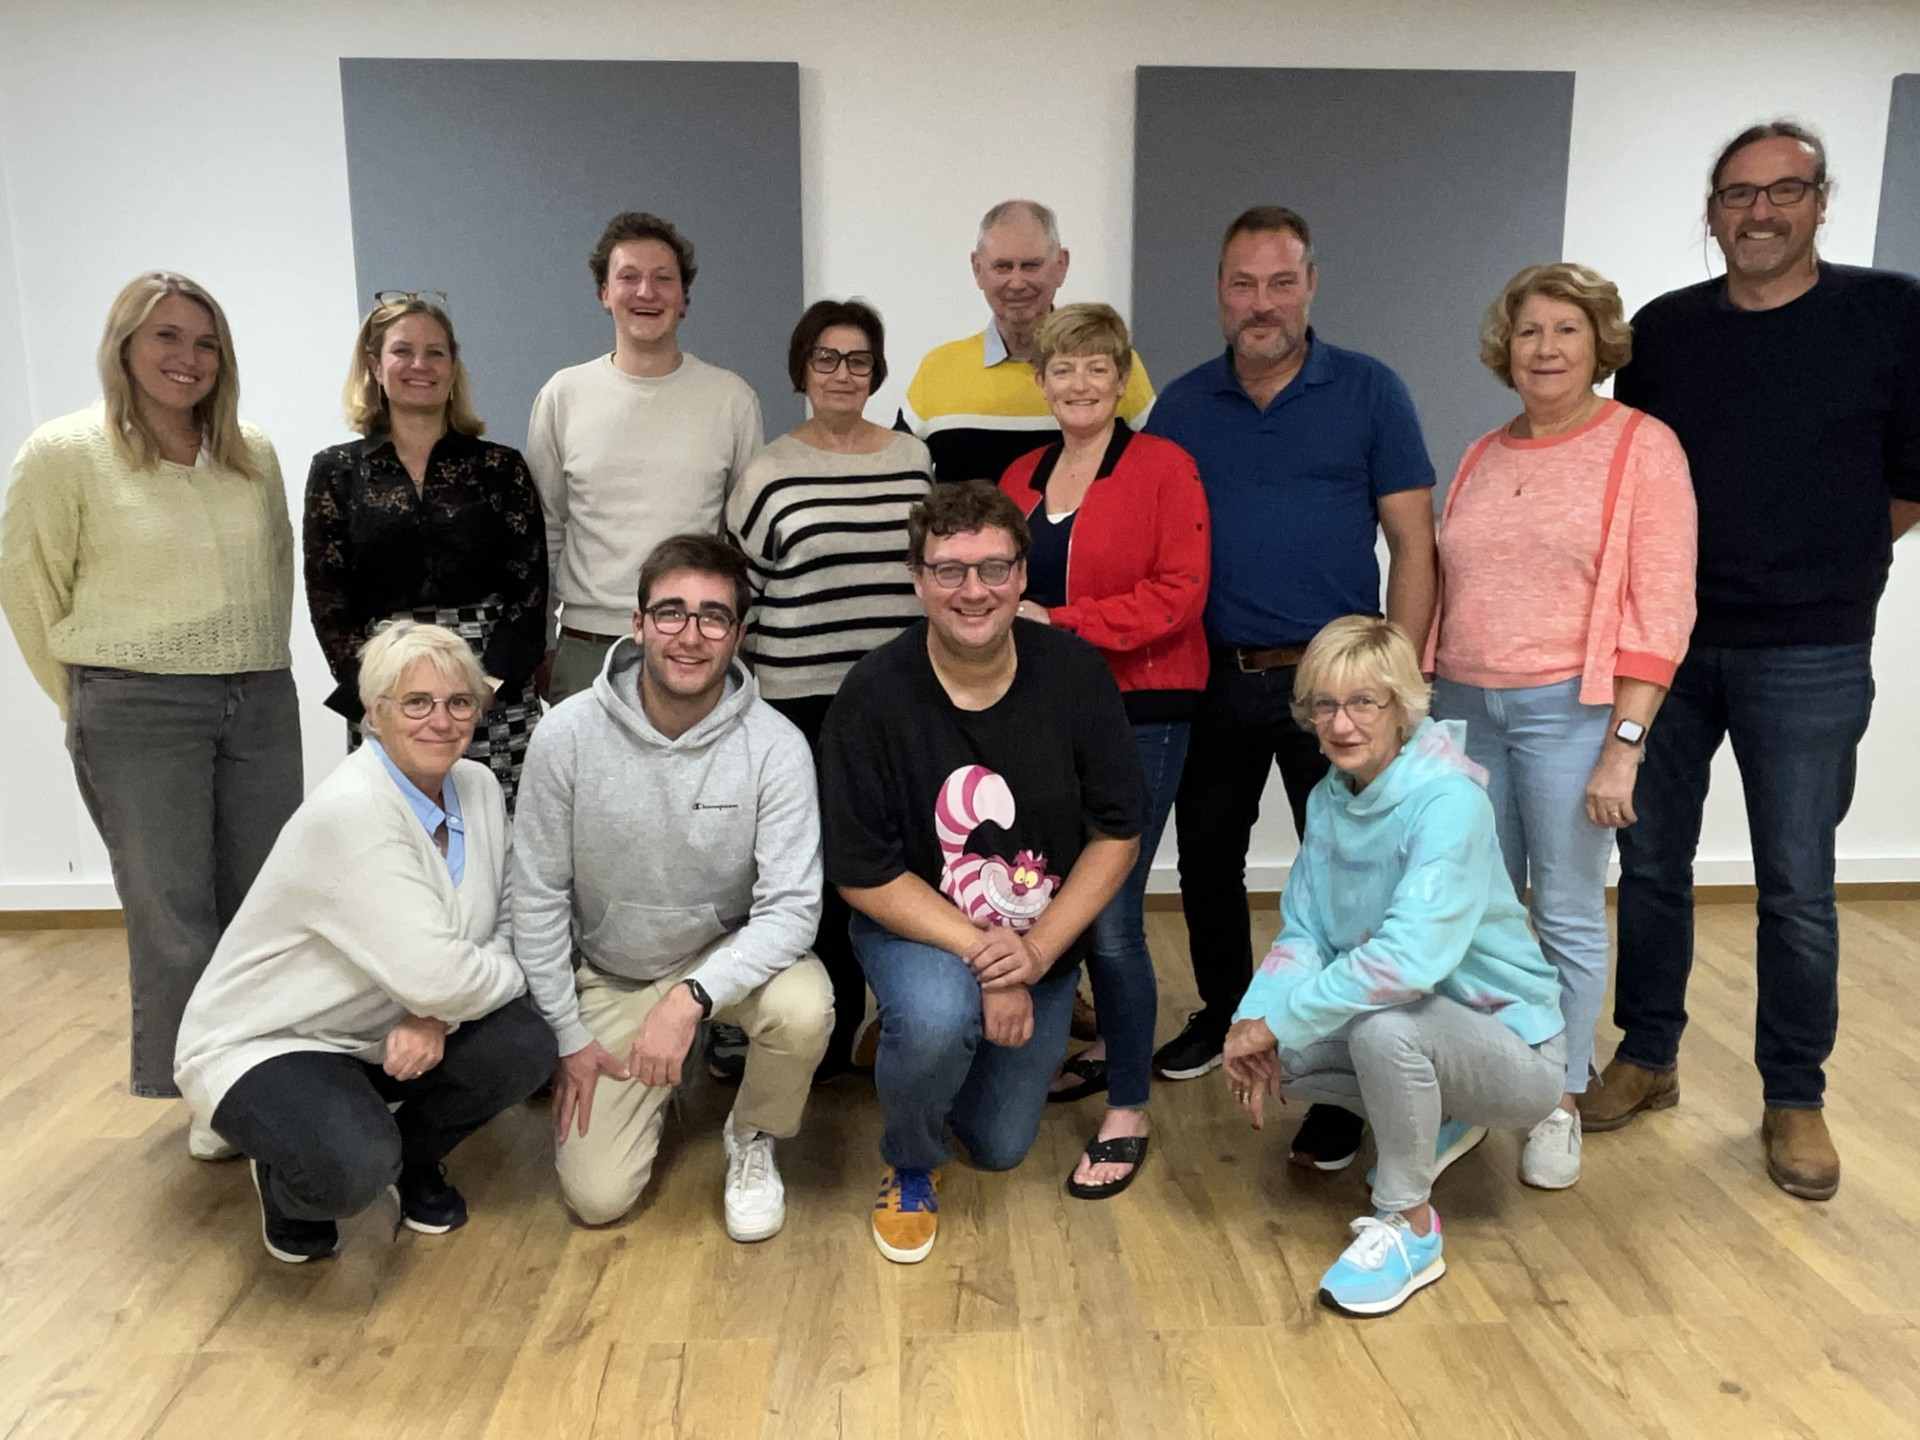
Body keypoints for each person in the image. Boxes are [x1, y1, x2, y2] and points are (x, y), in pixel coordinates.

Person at [1588, 120, 1920, 1202]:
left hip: (1813, 646)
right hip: (1671, 647)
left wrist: (1830, 559)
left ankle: (1794, 1094)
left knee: (1796, 886)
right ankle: (1648, 1054)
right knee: (1650, 866)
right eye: (1739, 193)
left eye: (1784, 191)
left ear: (1821, 202)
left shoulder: (1890, 313)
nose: (1761, 211)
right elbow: (1636, 481)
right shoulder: (1665, 333)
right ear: (1713, 210)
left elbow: (1910, 479)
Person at [1145, 207, 1438, 1180]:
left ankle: (1340, 1082)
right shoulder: (1182, 405)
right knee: (1207, 862)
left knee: (1351, 881)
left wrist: (1399, 679)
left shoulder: (1370, 391)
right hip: (1217, 676)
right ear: (1220, 293)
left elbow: (1414, 544)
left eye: (1280, 282)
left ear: (1311, 284)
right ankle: (1228, 1015)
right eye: (1243, 284)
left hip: (1339, 688)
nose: (1261, 303)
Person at [1, 271, 302, 1141]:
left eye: (206, 342)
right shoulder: (64, 452)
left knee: (263, 902)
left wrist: (258, 667)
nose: (187, 358)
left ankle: (260, 1070)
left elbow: (277, 569)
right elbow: (28, 587)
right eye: (166, 336)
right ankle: (205, 1093)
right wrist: (88, 702)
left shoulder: (251, 453)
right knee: (173, 915)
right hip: (135, 709)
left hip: (257, 697)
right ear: (124, 345)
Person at [819, 482, 1144, 1262]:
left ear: (1022, 575)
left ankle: (912, 1049)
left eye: (994, 568)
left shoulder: (1075, 675)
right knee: (938, 1015)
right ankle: (909, 1160)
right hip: (921, 928)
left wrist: (1035, 954)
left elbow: (1117, 833)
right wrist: (987, 960)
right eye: (949, 571)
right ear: (917, 579)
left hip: (1041, 937)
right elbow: (863, 873)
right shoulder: (872, 695)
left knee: (998, 1146)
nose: (974, 591)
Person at [1423, 263, 1696, 1189]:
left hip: (1570, 714)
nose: (1545, 348)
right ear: (1506, 347)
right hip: (1466, 709)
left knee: (1568, 914)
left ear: (1600, 344)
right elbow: (1451, 588)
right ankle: (1485, 1085)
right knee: (1477, 913)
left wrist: (1626, 745)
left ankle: (1559, 1099)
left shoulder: (1641, 447)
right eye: (1530, 331)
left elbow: (1663, 606)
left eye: (1566, 330)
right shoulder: (1480, 453)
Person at [173, 622, 554, 1263]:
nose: (442, 720)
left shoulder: (479, 787)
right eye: (416, 702)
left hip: (387, 1027)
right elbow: (443, 976)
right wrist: (444, 1001)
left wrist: (434, 1012)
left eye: (460, 702)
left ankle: (412, 1158)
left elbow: (511, 919)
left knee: (526, 1043)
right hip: (272, 1040)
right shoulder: (352, 812)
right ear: (375, 715)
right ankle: (288, 1182)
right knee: (351, 1168)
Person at [1223, 616, 1565, 1318]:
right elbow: (1305, 932)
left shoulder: (1449, 801)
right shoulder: (1330, 796)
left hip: (1516, 1051)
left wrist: (1280, 1019)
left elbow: (1407, 961)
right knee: (1279, 1055)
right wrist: (1252, 1021)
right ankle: (1440, 1116)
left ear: (1402, 706)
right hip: (1426, 1021)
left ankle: (1410, 1226)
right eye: (1324, 704)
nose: (1341, 724)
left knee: (1384, 1030)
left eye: (1363, 702)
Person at [511, 534, 831, 1240]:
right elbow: (534, 896)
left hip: (726, 958)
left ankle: (753, 1134)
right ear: (638, 623)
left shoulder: (776, 746)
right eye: (671, 613)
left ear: (738, 635)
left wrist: (690, 1000)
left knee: (805, 1008)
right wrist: (567, 1034)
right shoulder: (565, 737)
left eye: (714, 617)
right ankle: (654, 1086)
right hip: (616, 972)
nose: (690, 636)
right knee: (597, 1200)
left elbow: (792, 909)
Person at [997, 303, 1209, 1198]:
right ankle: (1101, 1050)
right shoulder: (1021, 475)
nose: (1080, 383)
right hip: (1049, 719)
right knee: (1054, 894)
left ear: (1123, 379)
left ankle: (1127, 1107)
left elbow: (1180, 593)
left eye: (1097, 367)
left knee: (1113, 915)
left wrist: (1062, 623)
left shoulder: (1164, 466)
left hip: (1145, 712)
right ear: (1041, 382)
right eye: (1063, 368)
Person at [726, 298, 932, 1078]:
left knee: (903, 859)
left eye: (858, 360)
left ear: (876, 372)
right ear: (801, 370)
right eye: (826, 358)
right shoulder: (767, 471)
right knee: (817, 867)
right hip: (799, 700)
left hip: (900, 698)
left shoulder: (913, 461)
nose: (843, 373)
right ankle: (831, 1030)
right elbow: (740, 595)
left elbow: (934, 574)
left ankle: (907, 1023)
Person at [304, 291, 548, 805]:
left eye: (436, 352)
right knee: (396, 832)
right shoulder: (337, 470)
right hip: (387, 688)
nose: (420, 365)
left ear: (453, 367)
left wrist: (479, 692)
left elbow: (529, 591)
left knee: (497, 830)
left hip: (491, 686)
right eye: (403, 351)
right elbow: (328, 599)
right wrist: (374, 696)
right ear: (375, 365)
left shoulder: (500, 467)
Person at [527, 211, 763, 706]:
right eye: (628, 277)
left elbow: (746, 541)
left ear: (684, 298)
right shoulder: (562, 396)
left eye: (663, 279)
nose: (646, 292)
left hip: (696, 642)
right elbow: (545, 530)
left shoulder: (731, 399)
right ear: (604, 293)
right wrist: (544, 643)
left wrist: (738, 638)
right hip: (589, 646)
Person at [896, 199, 1155, 483]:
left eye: (1031, 266)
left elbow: (1158, 470)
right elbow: (897, 480)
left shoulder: (1113, 366)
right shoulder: (938, 369)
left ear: (1061, 265)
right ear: (977, 268)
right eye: (1002, 267)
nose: (1017, 283)